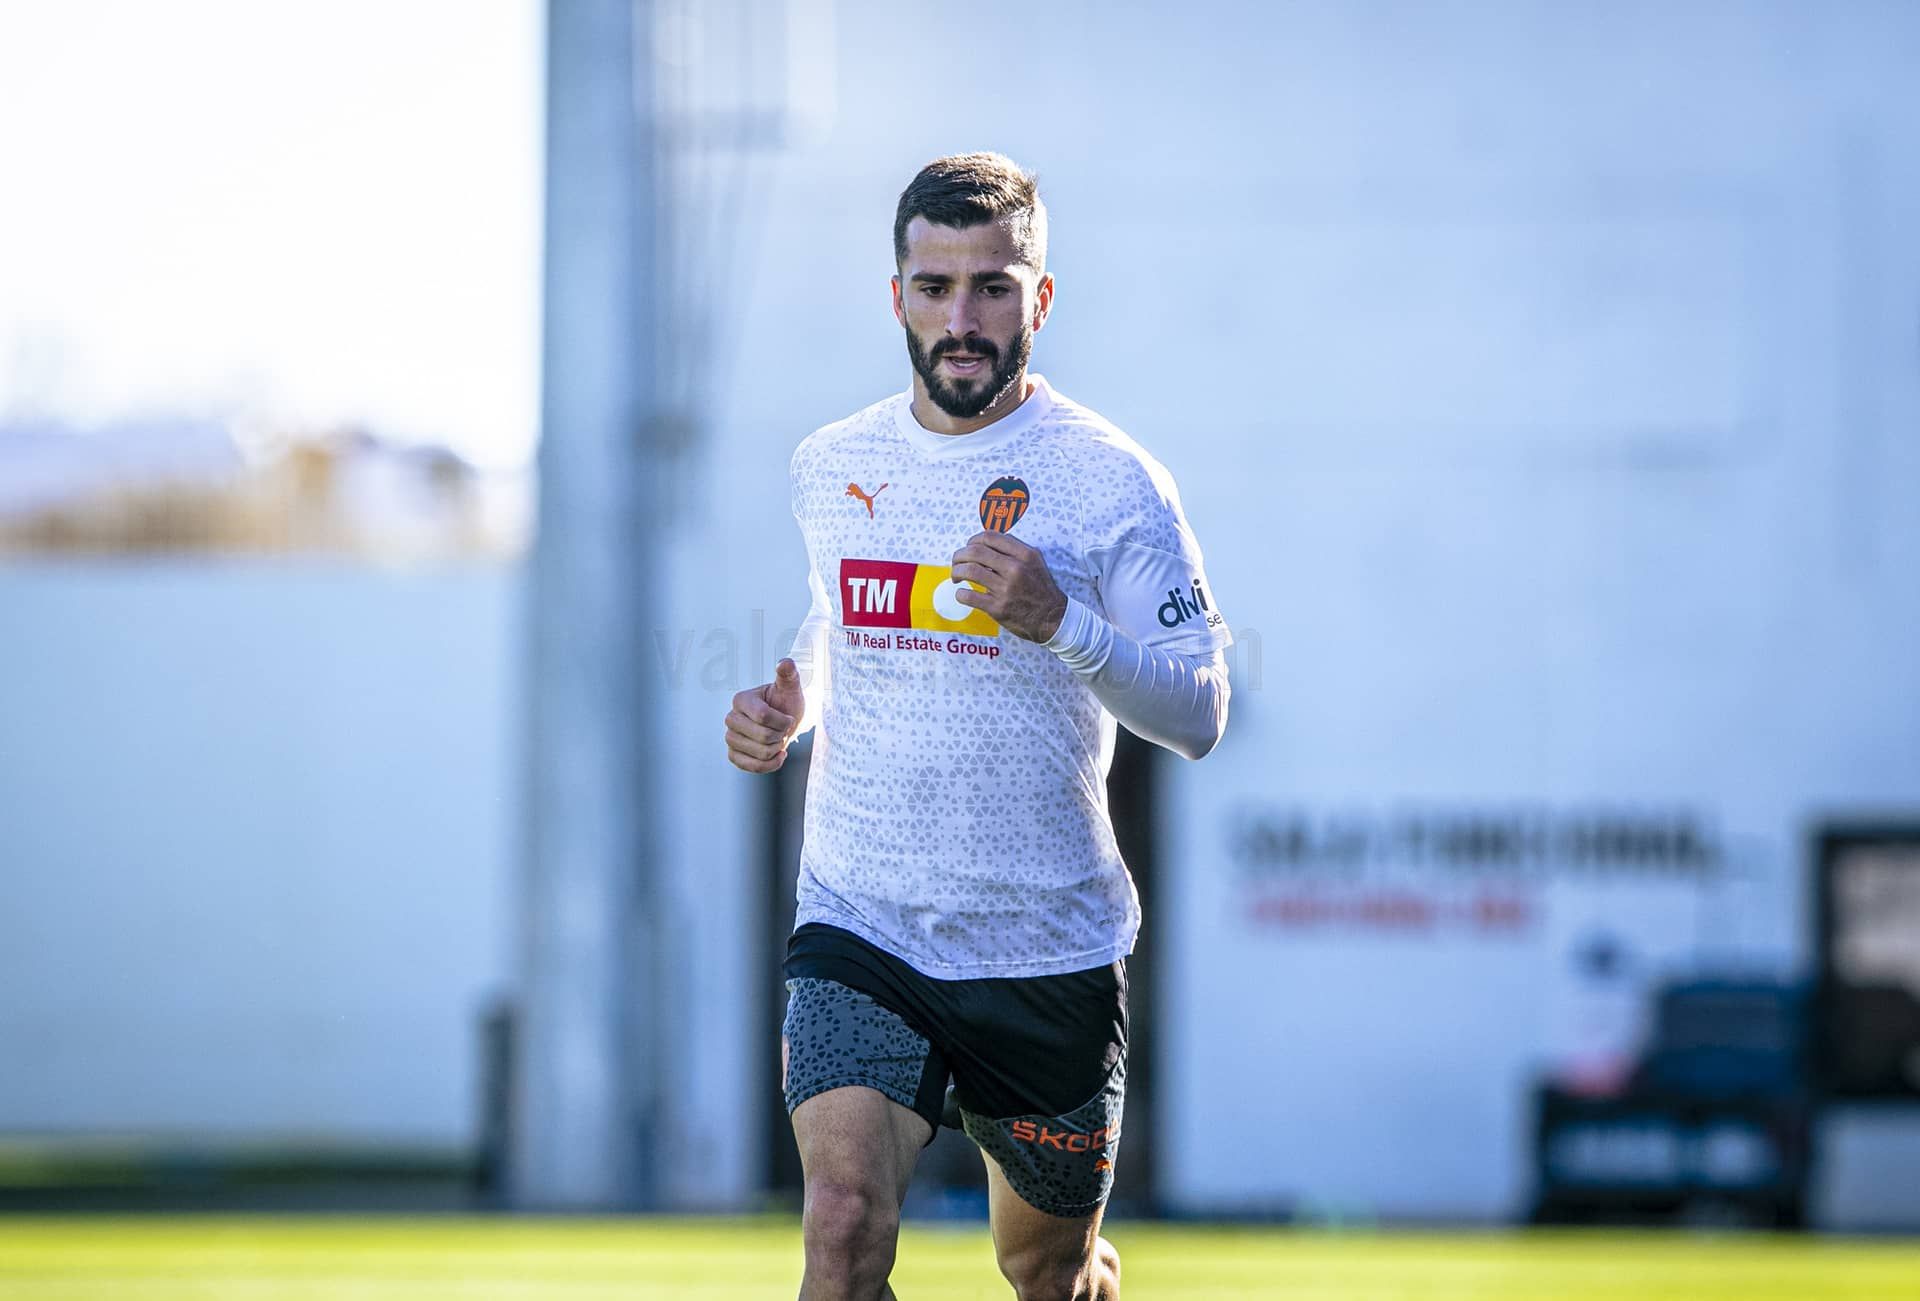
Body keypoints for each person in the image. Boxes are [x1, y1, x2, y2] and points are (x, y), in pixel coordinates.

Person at [724, 152, 1231, 1301]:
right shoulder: (832, 463)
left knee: (1045, 1270)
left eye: (993, 286)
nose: (962, 317)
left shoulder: (1113, 481)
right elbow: (837, 616)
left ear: (1039, 300)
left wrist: (1063, 621)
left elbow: (1201, 713)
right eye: (934, 284)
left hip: (1043, 944)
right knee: (842, 1228)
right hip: (864, 920)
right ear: (895, 294)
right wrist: (786, 709)